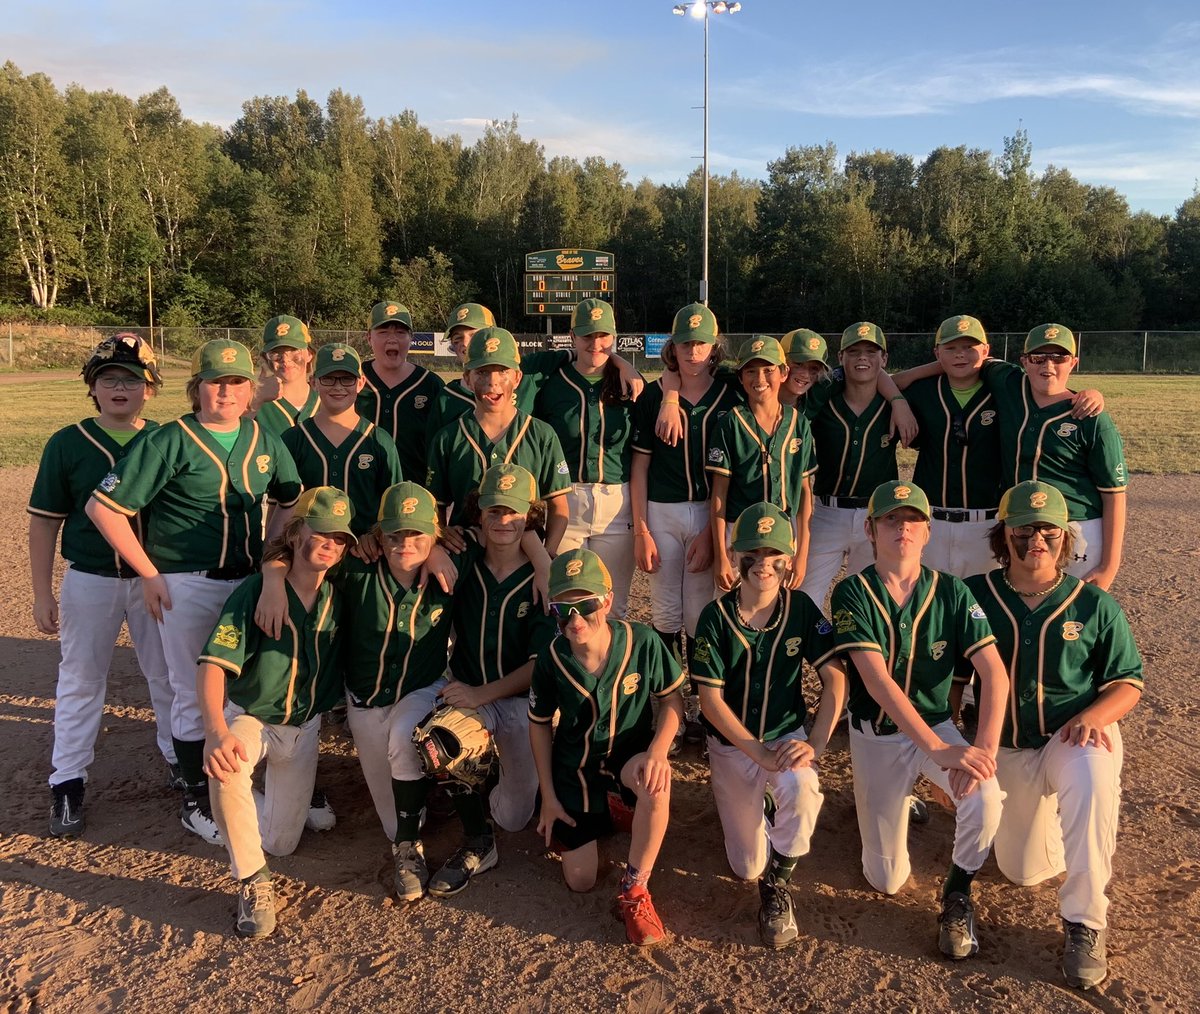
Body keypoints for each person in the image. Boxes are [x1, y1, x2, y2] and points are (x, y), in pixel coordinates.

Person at [86, 338, 303, 845]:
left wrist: (273, 555)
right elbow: (104, 509)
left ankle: (239, 783)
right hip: (187, 581)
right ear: (196, 388)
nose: (224, 392)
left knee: (247, 688)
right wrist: (148, 573)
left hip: (248, 580)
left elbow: (289, 500)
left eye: (235, 382)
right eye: (213, 381)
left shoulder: (264, 438)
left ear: (251, 390)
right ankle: (195, 800)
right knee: (191, 691)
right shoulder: (170, 440)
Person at [966, 481, 1142, 990]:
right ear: (1005, 536)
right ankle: (1065, 834)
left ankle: (1087, 921)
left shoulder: (1093, 604)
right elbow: (953, 680)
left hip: (1070, 738)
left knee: (1092, 774)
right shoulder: (976, 597)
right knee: (1021, 872)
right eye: (1023, 527)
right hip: (1006, 747)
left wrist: (1098, 715)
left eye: (1048, 528)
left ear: (1065, 538)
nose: (1036, 537)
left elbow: (1128, 682)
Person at [830, 480, 1008, 959]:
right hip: (879, 736)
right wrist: (940, 752)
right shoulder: (852, 591)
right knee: (885, 879)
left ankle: (957, 892)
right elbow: (877, 683)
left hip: (937, 728)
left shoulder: (951, 590)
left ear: (928, 532)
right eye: (891, 519)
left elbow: (994, 673)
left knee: (985, 795)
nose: (902, 528)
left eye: (913, 520)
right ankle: (900, 797)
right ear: (870, 529)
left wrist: (983, 752)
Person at [29, 333, 178, 838]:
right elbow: (45, 521)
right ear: (92, 387)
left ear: (150, 390)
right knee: (81, 679)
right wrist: (42, 591)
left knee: (168, 676)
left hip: (152, 579)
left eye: (132, 379)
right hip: (90, 578)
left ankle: (179, 758)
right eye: (109, 378)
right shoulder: (68, 442)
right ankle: (67, 780)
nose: (120, 387)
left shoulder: (165, 438)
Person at [691, 502, 848, 948]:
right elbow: (710, 699)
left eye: (774, 552)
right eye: (753, 553)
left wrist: (815, 743)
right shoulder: (715, 617)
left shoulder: (801, 607)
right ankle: (759, 812)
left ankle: (778, 886)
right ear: (735, 553)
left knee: (801, 788)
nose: (763, 563)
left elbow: (835, 677)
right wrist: (756, 753)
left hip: (785, 734)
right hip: (733, 744)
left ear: (791, 555)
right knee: (744, 865)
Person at [199, 487, 354, 938]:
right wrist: (213, 731)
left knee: (282, 844)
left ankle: (247, 809)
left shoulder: (339, 594)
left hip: (305, 729)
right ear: (297, 530)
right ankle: (251, 880)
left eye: (339, 538)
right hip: (253, 717)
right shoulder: (257, 591)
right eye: (320, 531)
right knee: (226, 768)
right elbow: (211, 665)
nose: (329, 543)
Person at [529, 549, 686, 946]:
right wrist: (548, 796)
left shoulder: (642, 640)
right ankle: (612, 808)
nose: (576, 619)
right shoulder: (552, 657)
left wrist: (659, 751)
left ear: (609, 600)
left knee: (656, 782)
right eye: (563, 608)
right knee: (580, 881)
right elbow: (539, 725)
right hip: (575, 768)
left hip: (628, 756)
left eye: (586, 604)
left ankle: (635, 890)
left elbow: (671, 702)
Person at [428, 464, 558, 898]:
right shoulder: (464, 557)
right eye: (493, 511)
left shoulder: (543, 577)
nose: (503, 521)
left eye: (514, 513)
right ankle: (477, 842)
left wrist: (541, 556)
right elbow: (425, 549)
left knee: (514, 816)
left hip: (520, 701)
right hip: (470, 693)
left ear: (530, 518)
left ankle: (497, 777)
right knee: (442, 737)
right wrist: (432, 548)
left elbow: (540, 666)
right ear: (477, 514)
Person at [630, 302, 738, 746]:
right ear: (672, 347)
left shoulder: (730, 389)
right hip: (662, 507)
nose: (693, 351)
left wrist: (715, 537)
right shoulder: (655, 394)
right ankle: (667, 706)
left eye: (701, 343)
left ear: (715, 347)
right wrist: (641, 529)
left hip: (709, 509)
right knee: (664, 612)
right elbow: (638, 468)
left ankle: (699, 706)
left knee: (698, 613)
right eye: (685, 343)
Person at [982, 324, 1127, 590]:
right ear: (1024, 361)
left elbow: (1114, 495)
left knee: (1073, 618)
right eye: (1038, 357)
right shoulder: (1009, 383)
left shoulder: (1091, 417)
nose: (1048, 365)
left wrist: (1109, 565)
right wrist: (897, 387)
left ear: (1074, 362)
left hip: (1075, 526)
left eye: (1059, 357)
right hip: (1020, 525)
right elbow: (970, 358)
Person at [534, 298, 642, 617]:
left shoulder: (631, 384)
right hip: (566, 500)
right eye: (587, 335)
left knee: (612, 604)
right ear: (573, 337)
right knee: (565, 600)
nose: (596, 343)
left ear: (614, 337)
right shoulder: (553, 384)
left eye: (603, 335)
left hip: (616, 504)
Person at [800, 323, 915, 612]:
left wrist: (899, 400)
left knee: (871, 598)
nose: (862, 358)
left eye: (870, 351)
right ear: (841, 357)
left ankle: (862, 655)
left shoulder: (893, 403)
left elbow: (912, 377)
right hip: (827, 511)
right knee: (805, 594)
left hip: (877, 514)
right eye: (854, 352)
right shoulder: (826, 396)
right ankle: (816, 654)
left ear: (884, 359)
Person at [425, 326, 571, 551]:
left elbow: (559, 506)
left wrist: (547, 553)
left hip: (524, 557)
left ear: (517, 377)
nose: (493, 382)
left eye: (503, 371)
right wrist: (442, 533)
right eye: (482, 372)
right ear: (467, 377)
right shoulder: (448, 437)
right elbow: (436, 504)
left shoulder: (541, 434)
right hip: (465, 557)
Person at [706, 335, 814, 593]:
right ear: (741, 377)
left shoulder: (799, 423)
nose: (760, 379)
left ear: (784, 372)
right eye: (751, 371)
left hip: (784, 531)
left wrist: (802, 555)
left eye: (768, 370)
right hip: (739, 531)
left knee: (779, 611)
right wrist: (721, 555)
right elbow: (719, 495)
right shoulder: (731, 422)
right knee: (731, 607)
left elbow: (806, 493)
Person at [280, 342, 403, 563]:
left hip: (365, 559)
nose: (338, 387)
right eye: (328, 378)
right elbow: (281, 507)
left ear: (361, 383)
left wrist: (375, 535)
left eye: (347, 379)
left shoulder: (378, 440)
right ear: (314, 382)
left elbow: (393, 508)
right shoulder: (293, 439)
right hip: (306, 557)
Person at [356, 300, 445, 483]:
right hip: (360, 491)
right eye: (383, 332)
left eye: (400, 332)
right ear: (368, 337)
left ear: (411, 337)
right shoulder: (353, 379)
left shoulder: (430, 384)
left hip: (414, 494)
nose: (392, 339)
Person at [427, 302, 498, 437]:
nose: (465, 343)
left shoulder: (520, 384)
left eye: (474, 335)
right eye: (457, 339)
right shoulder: (446, 398)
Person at [249, 314, 319, 438]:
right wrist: (255, 401)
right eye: (276, 353)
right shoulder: (255, 405)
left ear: (309, 354)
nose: (285, 359)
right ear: (265, 358)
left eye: (293, 350)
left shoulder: (326, 400)